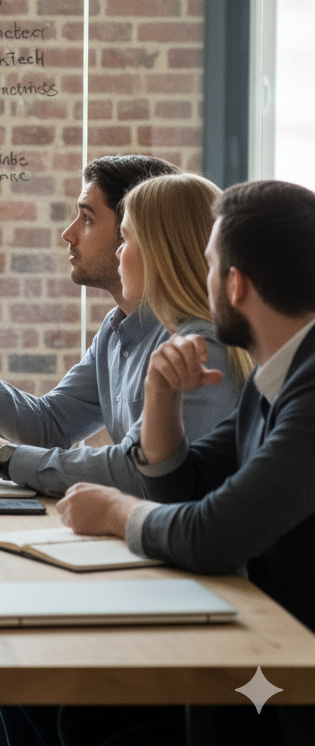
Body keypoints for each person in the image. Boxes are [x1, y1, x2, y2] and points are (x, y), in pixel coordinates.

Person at [56, 180, 315, 746]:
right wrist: (160, 397)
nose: (202, 281)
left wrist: (117, 512)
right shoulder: (282, 377)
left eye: (209, 266)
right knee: (79, 709)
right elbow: (190, 483)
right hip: (278, 657)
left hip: (292, 685)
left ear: (236, 284)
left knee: (87, 717)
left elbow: (214, 533)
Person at [0, 172, 253, 746]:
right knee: (23, 679)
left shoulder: (202, 348)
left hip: (239, 616)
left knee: (71, 708)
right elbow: (169, 472)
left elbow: (157, 485)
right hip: (186, 572)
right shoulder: (141, 336)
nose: (116, 252)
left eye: (125, 236)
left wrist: (113, 510)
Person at [0, 153, 235, 497]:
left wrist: (5, 458)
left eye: (86, 218)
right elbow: (50, 425)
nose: (68, 234)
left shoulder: (200, 348)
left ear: (151, 241)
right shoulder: (118, 331)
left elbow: (140, 470)